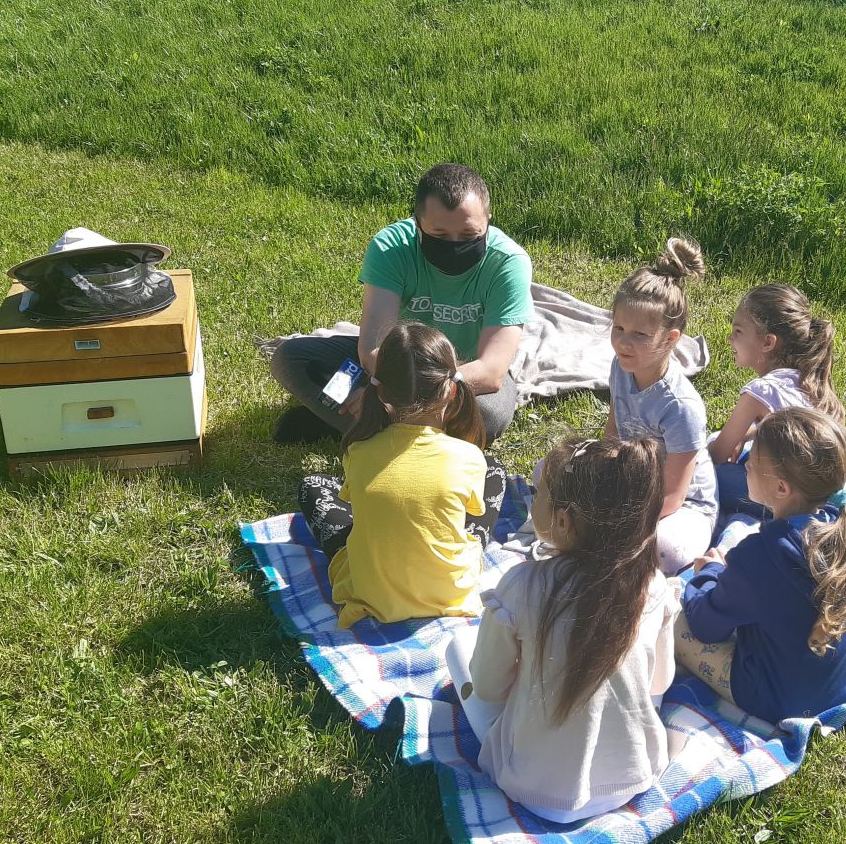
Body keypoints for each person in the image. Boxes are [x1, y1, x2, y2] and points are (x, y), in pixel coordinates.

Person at [451, 436, 680, 823]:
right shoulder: (652, 585)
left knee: (458, 646)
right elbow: (659, 683)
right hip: (631, 778)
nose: (532, 499)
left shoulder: (522, 586)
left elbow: (488, 688)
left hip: (533, 787)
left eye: (537, 492)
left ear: (563, 521)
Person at [271, 163, 532, 445]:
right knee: (293, 359)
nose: (455, 245)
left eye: (469, 235)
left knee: (491, 414)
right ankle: (420, 433)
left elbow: (491, 371)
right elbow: (372, 349)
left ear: (488, 220)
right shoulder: (391, 248)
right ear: (417, 224)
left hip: (460, 372)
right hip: (395, 364)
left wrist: (388, 397)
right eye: (439, 236)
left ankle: (362, 423)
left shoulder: (508, 263)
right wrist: (392, 385)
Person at [296, 322, 506, 627]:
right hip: (449, 593)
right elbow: (469, 511)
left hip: (372, 594)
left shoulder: (359, 451)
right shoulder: (468, 457)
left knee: (313, 485)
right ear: (451, 389)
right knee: (494, 468)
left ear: (380, 391)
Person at [678, 407, 846, 724]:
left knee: (669, 614)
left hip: (779, 700)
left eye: (752, 464)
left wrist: (710, 574)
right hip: (840, 688)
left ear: (782, 488)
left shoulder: (758, 557)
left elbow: (705, 625)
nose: (745, 467)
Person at [607, 237, 717, 574]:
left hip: (683, 508)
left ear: (670, 339)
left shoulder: (680, 406)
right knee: (550, 473)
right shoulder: (621, 367)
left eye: (640, 335)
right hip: (635, 482)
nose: (623, 342)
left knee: (664, 550)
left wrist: (616, 520)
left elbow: (673, 496)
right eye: (618, 328)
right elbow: (613, 431)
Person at [708, 284, 843, 520]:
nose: (730, 338)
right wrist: (746, 435)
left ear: (768, 343)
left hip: (793, 500)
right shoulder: (808, 380)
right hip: (828, 495)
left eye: (738, 331)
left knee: (707, 472)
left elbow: (717, 454)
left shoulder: (761, 391)